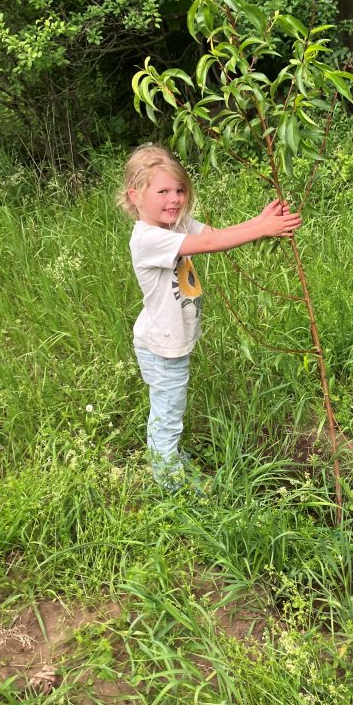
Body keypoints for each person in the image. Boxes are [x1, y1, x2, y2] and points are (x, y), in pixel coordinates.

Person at [117, 143, 302, 490]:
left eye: (180, 190)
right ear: (136, 195)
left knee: (171, 406)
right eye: (163, 192)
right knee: (167, 413)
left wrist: (260, 221)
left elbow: (214, 235)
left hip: (170, 339)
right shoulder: (148, 238)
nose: (174, 199)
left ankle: (168, 456)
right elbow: (208, 246)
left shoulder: (175, 223)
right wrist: (263, 230)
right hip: (161, 345)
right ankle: (168, 477)